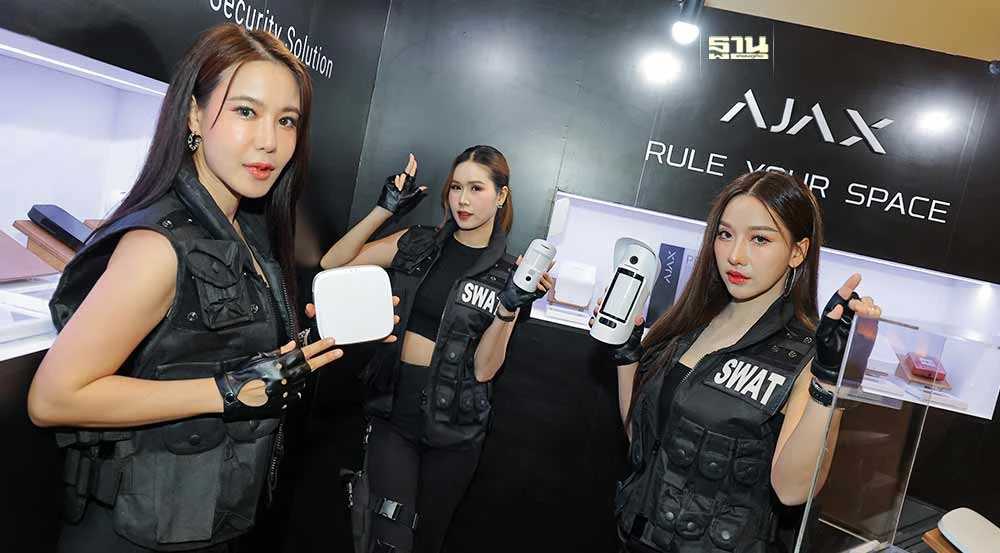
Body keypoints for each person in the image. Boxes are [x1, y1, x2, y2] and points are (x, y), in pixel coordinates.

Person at [26, 23, 380, 552]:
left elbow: (208, 351)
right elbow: (53, 397)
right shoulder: (158, 246)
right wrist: (228, 392)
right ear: (194, 114)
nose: (270, 141)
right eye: (246, 111)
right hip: (133, 534)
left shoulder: (246, 229)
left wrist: (305, 349)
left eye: (287, 120)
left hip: (198, 519)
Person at [603, 171, 882, 552]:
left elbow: (792, 489)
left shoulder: (805, 354)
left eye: (760, 239)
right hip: (635, 538)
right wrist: (627, 354)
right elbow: (641, 439)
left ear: (798, 251)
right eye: (725, 234)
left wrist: (831, 380)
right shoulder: (688, 325)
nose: (735, 255)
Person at [320, 146, 552, 553]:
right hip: (394, 410)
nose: (463, 199)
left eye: (476, 188)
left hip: (456, 428)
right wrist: (385, 209)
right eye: (456, 187)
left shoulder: (511, 275)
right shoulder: (417, 242)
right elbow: (332, 264)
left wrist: (510, 306)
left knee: (428, 542)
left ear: (501, 195)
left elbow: (485, 370)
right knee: (389, 541)